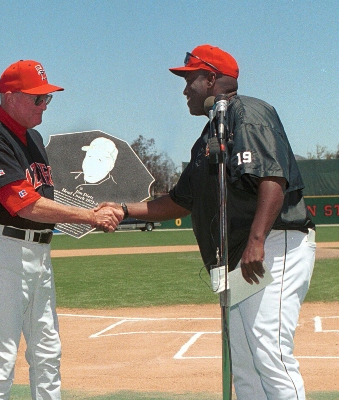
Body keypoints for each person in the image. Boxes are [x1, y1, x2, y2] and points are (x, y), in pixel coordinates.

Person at [99, 44, 316, 399]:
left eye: (190, 79)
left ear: (212, 78)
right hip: (240, 255)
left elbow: (272, 180)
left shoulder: (249, 113)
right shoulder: (207, 138)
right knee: (244, 363)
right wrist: (123, 210)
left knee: (269, 351)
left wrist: (257, 240)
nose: (185, 89)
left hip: (273, 244)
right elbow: (178, 202)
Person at [0, 59, 123, 399]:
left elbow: (44, 200)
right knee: (2, 356)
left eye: (47, 98)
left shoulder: (33, 138)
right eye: (37, 98)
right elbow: (24, 204)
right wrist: (89, 216)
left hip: (39, 250)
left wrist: (90, 209)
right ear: (9, 97)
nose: (44, 105)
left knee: (48, 351)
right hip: (0, 249)